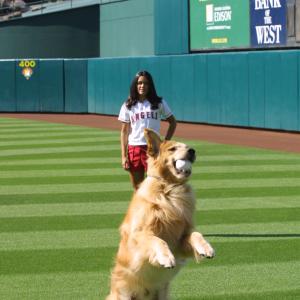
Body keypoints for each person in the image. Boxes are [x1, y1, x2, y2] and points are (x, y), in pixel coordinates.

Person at [118, 70, 177, 190]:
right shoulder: (128, 104)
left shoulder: (159, 103)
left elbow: (173, 122)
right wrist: (123, 156)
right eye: (139, 83)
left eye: (146, 83)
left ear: (150, 86)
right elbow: (124, 132)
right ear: (135, 85)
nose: (142, 86)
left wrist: (165, 142)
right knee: (138, 189)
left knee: (156, 187)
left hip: (154, 149)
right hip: (134, 148)